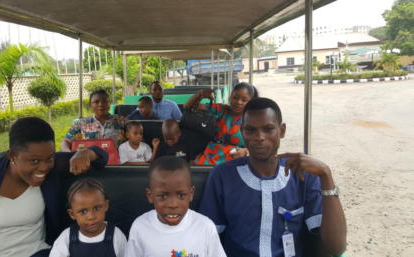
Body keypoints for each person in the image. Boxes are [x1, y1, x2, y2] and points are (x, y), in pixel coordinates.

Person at [0, 117, 109, 257]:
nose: (44, 167)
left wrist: (84, 152)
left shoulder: (52, 167)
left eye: (50, 158)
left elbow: (102, 156)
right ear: (12, 156)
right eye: (34, 161)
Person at [199, 98, 347, 257]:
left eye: (268, 129)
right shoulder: (223, 176)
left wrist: (326, 175)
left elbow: (336, 248)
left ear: (282, 131)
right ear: (242, 132)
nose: (259, 137)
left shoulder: (303, 176)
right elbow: (207, 239)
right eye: (250, 130)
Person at [124, 156, 226, 257]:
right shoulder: (140, 227)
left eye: (181, 195)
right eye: (162, 196)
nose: (173, 205)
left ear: (191, 194)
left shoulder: (205, 227)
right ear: (150, 195)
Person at [49, 178, 127, 257]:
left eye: (97, 208)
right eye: (83, 212)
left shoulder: (116, 235)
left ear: (106, 205)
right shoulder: (67, 237)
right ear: (72, 214)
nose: (91, 217)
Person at [184, 82, 256, 165]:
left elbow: (259, 146)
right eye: (235, 97)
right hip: (210, 156)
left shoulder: (254, 120)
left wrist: (246, 151)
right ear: (230, 97)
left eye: (244, 100)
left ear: (250, 101)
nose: (238, 102)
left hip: (235, 160)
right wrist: (200, 94)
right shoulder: (221, 109)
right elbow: (188, 107)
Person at [61, 90, 126, 152]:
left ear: (109, 103)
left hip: (117, 162)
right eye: (96, 102)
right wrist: (68, 153)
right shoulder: (81, 123)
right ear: (90, 105)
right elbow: (66, 142)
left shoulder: (121, 121)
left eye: (104, 101)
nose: (101, 104)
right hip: (89, 162)